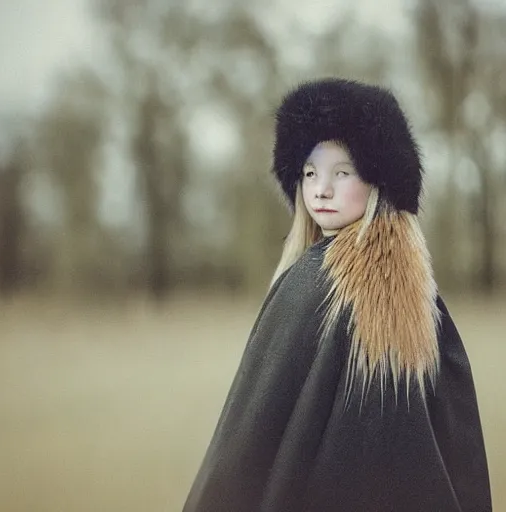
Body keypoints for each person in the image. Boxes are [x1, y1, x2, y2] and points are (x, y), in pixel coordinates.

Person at [182, 78, 492, 512]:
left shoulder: (315, 283)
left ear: (378, 182)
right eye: (310, 173)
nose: (320, 189)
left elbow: (242, 449)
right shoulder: (424, 298)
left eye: (342, 172)